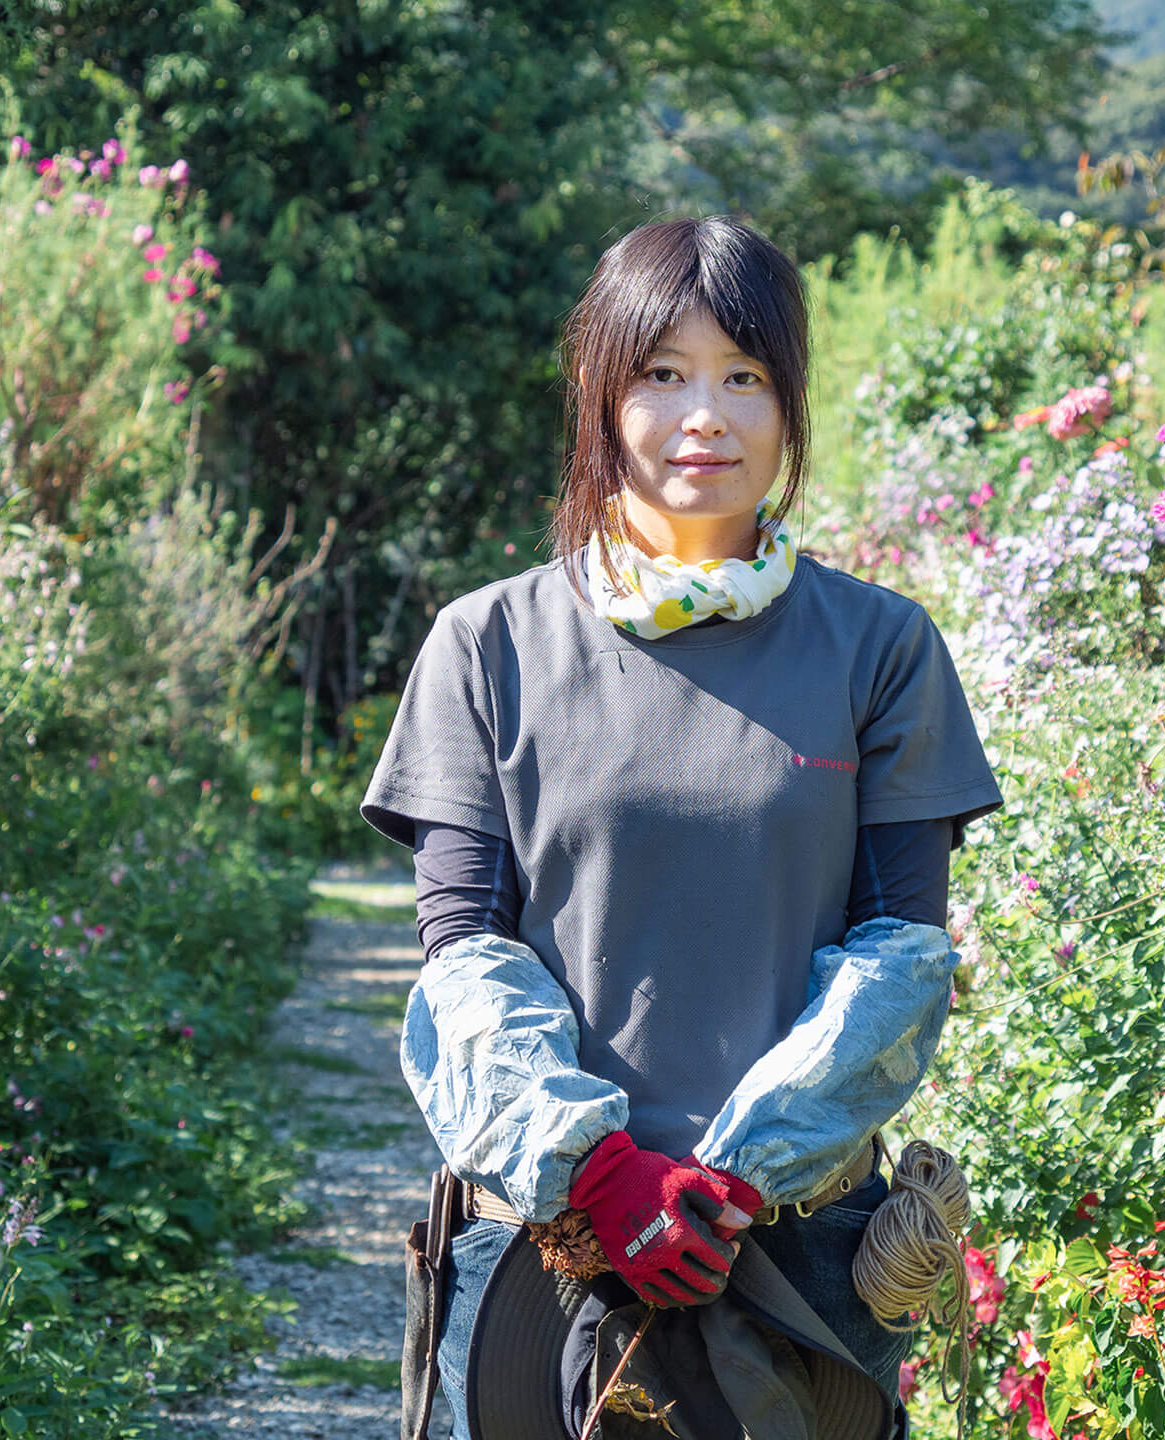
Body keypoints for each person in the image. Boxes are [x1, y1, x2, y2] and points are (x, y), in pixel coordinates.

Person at [361, 214, 1003, 1438]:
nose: (702, 414)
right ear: (601, 398)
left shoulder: (878, 648)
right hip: (545, 1252)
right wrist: (600, 1177)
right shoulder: (487, 645)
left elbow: (899, 955)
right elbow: (462, 951)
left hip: (801, 1256)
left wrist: (726, 1184)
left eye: (742, 377)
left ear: (787, 406)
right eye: (661, 375)